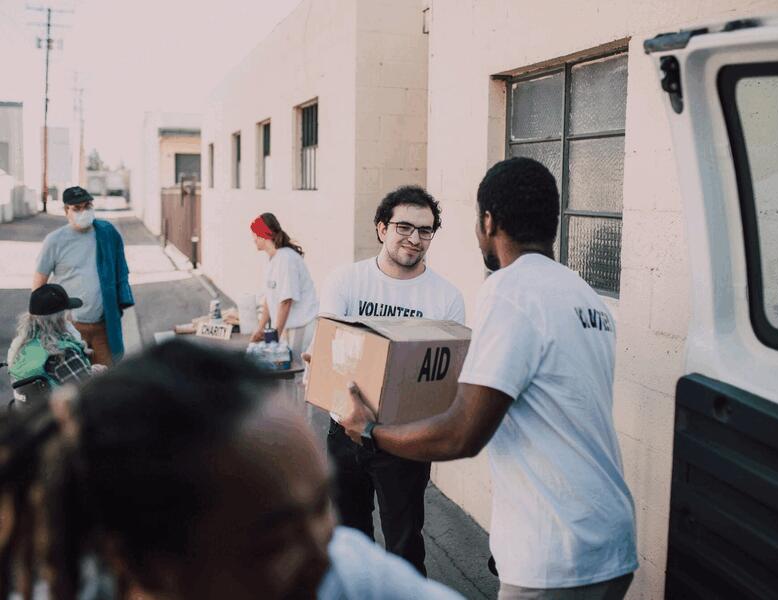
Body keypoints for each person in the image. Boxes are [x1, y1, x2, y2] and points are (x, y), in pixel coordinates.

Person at [341, 158, 638, 600]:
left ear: (488, 221)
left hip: (554, 552)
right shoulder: (583, 294)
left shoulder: (509, 289)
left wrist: (370, 432)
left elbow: (462, 434)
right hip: (611, 538)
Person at [0, 340, 463, 600]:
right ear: (148, 566)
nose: (324, 548)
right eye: (275, 539)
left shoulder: (341, 570)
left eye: (323, 502)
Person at [315, 185, 465, 575]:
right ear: (381, 228)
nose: (415, 239)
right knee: (349, 541)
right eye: (404, 227)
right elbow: (328, 353)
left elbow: (444, 377)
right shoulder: (346, 281)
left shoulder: (446, 298)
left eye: (426, 231)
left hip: (406, 439)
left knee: (404, 545)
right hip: (344, 429)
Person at [32, 186, 134, 366]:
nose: (83, 212)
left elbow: (120, 269)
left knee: (107, 380)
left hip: (103, 325)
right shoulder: (55, 241)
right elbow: (39, 286)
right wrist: (42, 326)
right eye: (76, 208)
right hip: (69, 329)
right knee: (74, 381)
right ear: (66, 211)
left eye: (87, 206)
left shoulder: (106, 233)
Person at [250, 213, 319, 357]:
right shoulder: (273, 260)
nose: (253, 239)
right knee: (285, 374)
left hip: (301, 326)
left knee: (295, 374)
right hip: (288, 328)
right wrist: (261, 329)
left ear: (264, 234)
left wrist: (275, 339)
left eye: (255, 235)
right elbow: (269, 300)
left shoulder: (286, 259)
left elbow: (286, 301)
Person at [7, 283, 97, 388]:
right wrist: (99, 374)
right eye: (68, 313)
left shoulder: (20, 346)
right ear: (60, 319)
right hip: (61, 404)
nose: (72, 317)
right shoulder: (61, 354)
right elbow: (89, 391)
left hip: (34, 404)